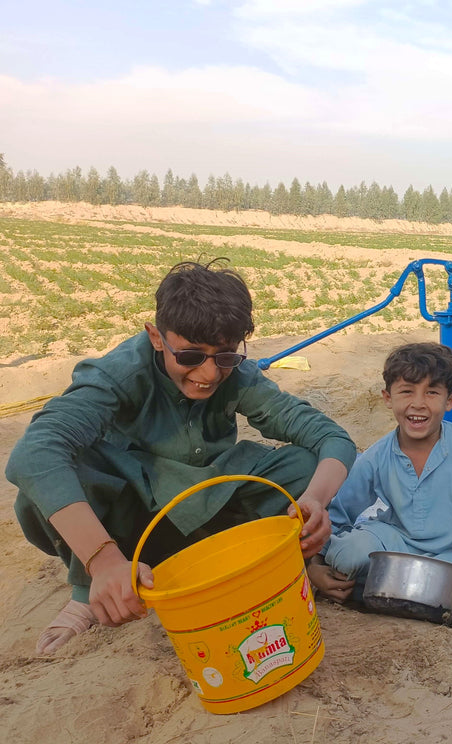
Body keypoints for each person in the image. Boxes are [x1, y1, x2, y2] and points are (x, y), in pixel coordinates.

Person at [6, 260, 356, 654]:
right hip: (130, 522)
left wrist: (314, 501)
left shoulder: (238, 375)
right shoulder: (119, 375)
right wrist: (103, 561)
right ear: (156, 337)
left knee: (302, 467)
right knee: (58, 478)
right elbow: (34, 453)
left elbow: (331, 437)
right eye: (191, 356)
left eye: (224, 356)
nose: (208, 373)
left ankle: (247, 565)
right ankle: (88, 592)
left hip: (205, 508)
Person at [307, 342, 452, 627]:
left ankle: (382, 595)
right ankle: (396, 593)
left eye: (432, 392)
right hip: (392, 547)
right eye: (407, 391)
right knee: (348, 554)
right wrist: (316, 567)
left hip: (448, 558)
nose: (418, 403)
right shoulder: (377, 455)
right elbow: (339, 513)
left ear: (450, 400)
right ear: (388, 398)